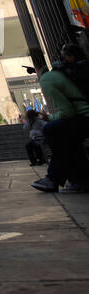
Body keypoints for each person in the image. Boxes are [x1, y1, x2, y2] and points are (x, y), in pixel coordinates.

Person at [32, 44, 89, 195]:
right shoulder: (76, 70)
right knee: (67, 134)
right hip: (82, 118)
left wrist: (49, 117)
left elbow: (67, 112)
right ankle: (78, 179)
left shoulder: (49, 79)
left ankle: (55, 178)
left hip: (85, 117)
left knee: (53, 129)